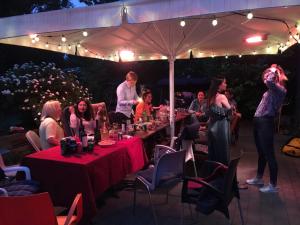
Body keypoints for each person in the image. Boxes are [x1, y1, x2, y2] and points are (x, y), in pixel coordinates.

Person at [246, 64, 287, 193]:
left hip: (265, 123)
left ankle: (273, 185)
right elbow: (268, 81)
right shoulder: (270, 91)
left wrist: (274, 69)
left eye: (269, 72)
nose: (266, 74)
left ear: (276, 76)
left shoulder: (280, 90)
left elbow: (269, 80)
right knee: (261, 153)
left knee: (269, 154)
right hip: (259, 122)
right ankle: (259, 178)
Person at [206, 77, 232, 165]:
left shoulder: (210, 97)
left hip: (211, 128)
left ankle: (213, 174)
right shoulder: (222, 97)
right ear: (219, 85)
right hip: (221, 129)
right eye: (224, 83)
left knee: (213, 153)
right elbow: (230, 111)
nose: (226, 84)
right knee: (222, 153)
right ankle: (223, 175)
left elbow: (209, 115)